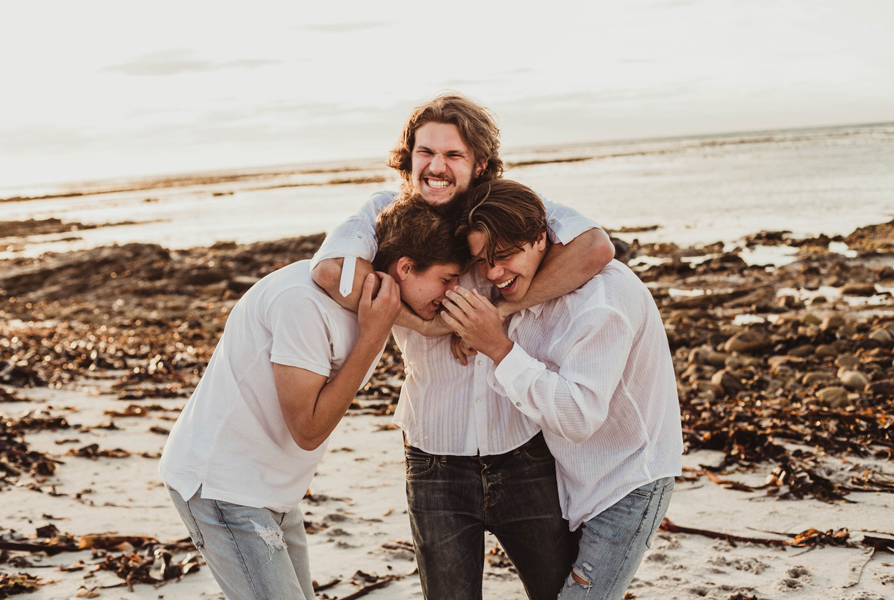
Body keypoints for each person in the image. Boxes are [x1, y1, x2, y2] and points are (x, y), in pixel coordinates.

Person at [310, 93, 615, 600]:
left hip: (524, 450)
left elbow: (594, 247)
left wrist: (499, 313)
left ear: (480, 165)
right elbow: (330, 273)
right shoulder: (383, 212)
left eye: (453, 155)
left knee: (558, 594)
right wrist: (428, 326)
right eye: (425, 152)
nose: (436, 166)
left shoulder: (505, 208)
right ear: (408, 159)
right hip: (433, 458)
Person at [158, 197, 468, 600]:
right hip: (222, 485)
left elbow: (382, 202)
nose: (452, 292)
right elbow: (307, 429)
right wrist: (373, 337)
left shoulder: (368, 302)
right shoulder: (302, 304)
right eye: (447, 279)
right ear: (405, 268)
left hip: (274, 491)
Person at [441, 179, 683, 600]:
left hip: (628, 483)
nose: (493, 273)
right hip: (574, 482)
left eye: (503, 257)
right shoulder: (529, 293)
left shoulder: (603, 302)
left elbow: (578, 416)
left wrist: (496, 346)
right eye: (482, 261)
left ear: (540, 238)